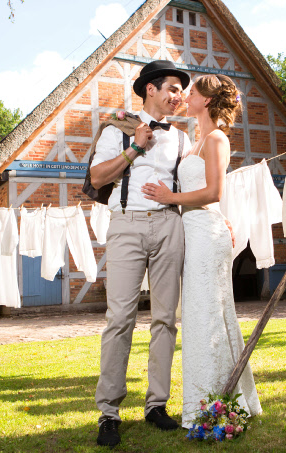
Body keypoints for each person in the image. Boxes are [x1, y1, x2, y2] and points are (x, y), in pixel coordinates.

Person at [141, 74, 263, 429]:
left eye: (190, 92)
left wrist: (169, 198)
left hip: (207, 236)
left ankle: (213, 403)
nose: (185, 96)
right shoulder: (195, 141)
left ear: (207, 101)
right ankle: (213, 398)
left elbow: (214, 193)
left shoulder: (216, 139)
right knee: (198, 316)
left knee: (207, 315)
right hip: (194, 232)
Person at [91, 60, 191, 447]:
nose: (178, 96)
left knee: (165, 318)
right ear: (150, 89)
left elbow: (191, 185)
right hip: (127, 224)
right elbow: (98, 178)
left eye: (182, 91)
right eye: (173, 88)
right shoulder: (118, 129)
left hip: (169, 225)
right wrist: (135, 148)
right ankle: (109, 413)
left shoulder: (182, 139)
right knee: (119, 318)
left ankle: (157, 405)